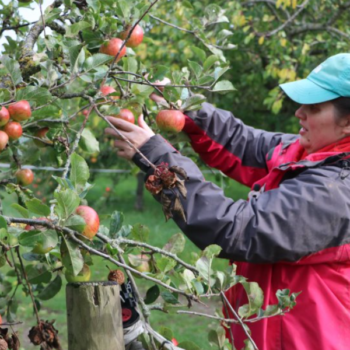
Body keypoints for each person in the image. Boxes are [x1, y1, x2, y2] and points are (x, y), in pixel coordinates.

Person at [105, 53, 350, 350]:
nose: (299, 112)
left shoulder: (337, 192)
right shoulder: (310, 155)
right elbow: (244, 143)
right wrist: (186, 106)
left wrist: (157, 157)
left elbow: (239, 230)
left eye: (314, 107)